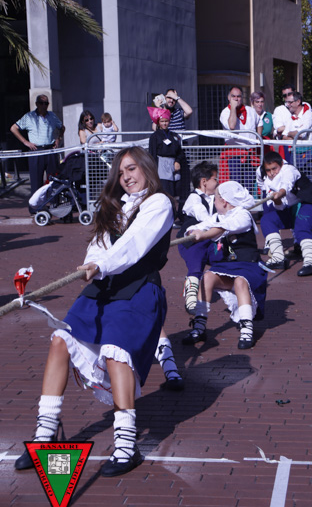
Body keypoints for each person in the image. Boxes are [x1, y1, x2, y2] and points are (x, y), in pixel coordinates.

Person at [14, 146, 174, 477]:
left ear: (146, 168)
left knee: (117, 353)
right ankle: (45, 435)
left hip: (139, 289)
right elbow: (99, 245)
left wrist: (101, 265)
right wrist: (93, 261)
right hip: (102, 287)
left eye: (132, 168)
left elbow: (134, 244)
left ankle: (126, 444)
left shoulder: (158, 203)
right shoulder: (113, 206)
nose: (126, 176)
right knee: (60, 340)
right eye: (121, 172)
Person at [181, 181, 268, 350]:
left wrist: (203, 235)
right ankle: (199, 326)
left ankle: (247, 329)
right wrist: (193, 232)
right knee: (207, 277)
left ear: (224, 201)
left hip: (248, 265)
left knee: (240, 281)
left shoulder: (243, 215)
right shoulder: (218, 217)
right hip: (228, 266)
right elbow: (200, 225)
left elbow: (223, 228)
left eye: (215, 199)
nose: (214, 202)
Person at [257, 151, 312, 276]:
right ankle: (278, 258)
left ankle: (311, 262)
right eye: (268, 170)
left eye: (274, 168)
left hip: (310, 202)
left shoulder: (289, 170)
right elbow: (280, 206)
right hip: (292, 207)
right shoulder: (266, 179)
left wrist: (279, 193)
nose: (272, 173)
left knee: (301, 227)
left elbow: (286, 185)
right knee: (267, 220)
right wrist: (276, 199)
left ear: (281, 164)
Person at [177, 161, 219, 314]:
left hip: (210, 239)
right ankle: (191, 297)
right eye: (215, 179)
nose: (218, 182)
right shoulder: (193, 199)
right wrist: (223, 221)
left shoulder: (216, 198)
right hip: (191, 241)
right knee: (196, 265)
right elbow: (204, 218)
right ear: (204, 181)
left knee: (226, 260)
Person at [10, 94, 65, 211]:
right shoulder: (29, 116)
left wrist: (58, 139)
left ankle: (54, 205)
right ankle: (35, 208)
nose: (44, 106)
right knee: (36, 181)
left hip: (50, 149)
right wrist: (25, 142)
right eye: (41, 103)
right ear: (36, 104)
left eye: (46, 103)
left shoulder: (52, 116)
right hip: (36, 151)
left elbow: (62, 127)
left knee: (53, 180)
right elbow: (13, 128)